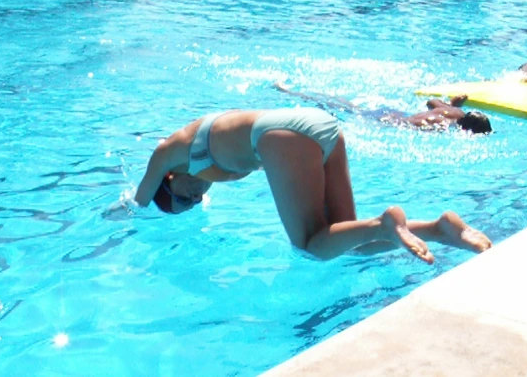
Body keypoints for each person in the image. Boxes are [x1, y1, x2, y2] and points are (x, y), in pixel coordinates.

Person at [134, 108, 492, 264]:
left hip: (283, 134)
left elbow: (138, 200)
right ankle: (441, 229)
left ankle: (387, 221)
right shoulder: (196, 162)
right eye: (190, 205)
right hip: (318, 126)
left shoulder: (168, 151)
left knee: (309, 246)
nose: (194, 200)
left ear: (170, 178)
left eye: (183, 198)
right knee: (346, 242)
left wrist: (119, 221)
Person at [274, 83, 492, 134]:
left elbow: (432, 102)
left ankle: (299, 91)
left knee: (348, 106)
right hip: (390, 121)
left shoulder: (454, 113)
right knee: (343, 110)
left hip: (396, 113)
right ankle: (292, 93)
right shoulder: (443, 127)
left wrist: (451, 104)